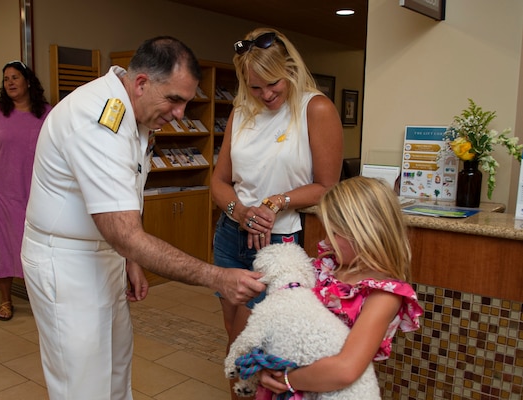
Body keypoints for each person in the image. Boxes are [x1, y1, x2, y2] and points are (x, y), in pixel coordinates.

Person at [21, 36, 265, 400]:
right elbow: (125, 233)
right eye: (175, 100)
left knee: (116, 367)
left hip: (105, 252)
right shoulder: (98, 119)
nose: (180, 113)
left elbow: (124, 200)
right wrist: (215, 276)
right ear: (140, 83)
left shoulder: (135, 112)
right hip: (66, 262)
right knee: (82, 382)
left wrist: (128, 258)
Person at [210, 27, 343, 399]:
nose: (266, 95)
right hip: (230, 237)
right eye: (255, 87)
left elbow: (327, 185)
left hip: (279, 244)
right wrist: (241, 212)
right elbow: (219, 181)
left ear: (289, 69)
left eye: (273, 84)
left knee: (243, 348)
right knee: (239, 342)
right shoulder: (241, 113)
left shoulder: (315, 108)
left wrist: (275, 202)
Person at [257, 176, 424, 398]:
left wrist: (287, 379)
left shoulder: (384, 295)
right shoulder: (326, 266)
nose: (326, 240)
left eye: (334, 233)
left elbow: (346, 369)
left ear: (365, 232)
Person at [0, 60, 51, 321]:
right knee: (2, 246)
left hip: (36, 193)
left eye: (15, 77)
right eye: (6, 79)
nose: (10, 83)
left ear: (28, 81)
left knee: (35, 249)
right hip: (2, 193)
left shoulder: (46, 113)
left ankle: (38, 300)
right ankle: (5, 301)